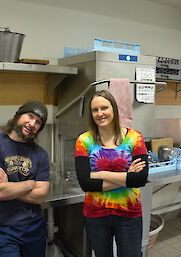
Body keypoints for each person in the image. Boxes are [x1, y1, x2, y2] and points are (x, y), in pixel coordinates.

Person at [74, 90, 148, 257]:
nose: (100, 113)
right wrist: (127, 177)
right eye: (95, 110)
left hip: (129, 213)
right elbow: (86, 184)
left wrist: (99, 174)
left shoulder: (135, 138)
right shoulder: (84, 141)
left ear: (113, 109)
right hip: (96, 215)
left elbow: (140, 179)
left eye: (104, 108)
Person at [0, 100, 50, 257]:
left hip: (34, 227)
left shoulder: (40, 154)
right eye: (30, 116)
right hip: (2, 229)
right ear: (18, 116)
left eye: (38, 122)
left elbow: (41, 196)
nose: (32, 123)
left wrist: (8, 186)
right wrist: (31, 183)